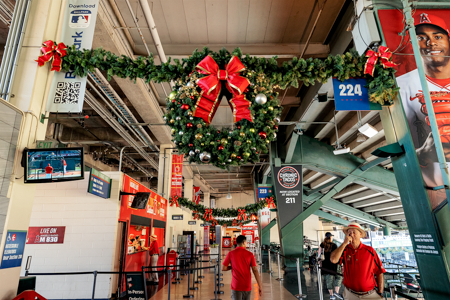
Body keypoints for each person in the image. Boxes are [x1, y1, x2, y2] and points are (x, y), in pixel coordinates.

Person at [396, 13, 450, 207]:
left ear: (448, 40)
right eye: (421, 37)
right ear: (412, 43)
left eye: (437, 36)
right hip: (434, 192)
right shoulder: (401, 84)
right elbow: (401, 142)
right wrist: (424, 152)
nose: (430, 43)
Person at [330, 223, 385, 300]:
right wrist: (344, 243)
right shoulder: (345, 249)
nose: (351, 234)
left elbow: (379, 272)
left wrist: (380, 292)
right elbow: (333, 260)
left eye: (354, 232)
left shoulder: (370, 251)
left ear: (360, 234)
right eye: (349, 233)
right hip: (350, 294)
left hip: (370, 295)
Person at [223, 235, 262, 300]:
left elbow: (223, 268)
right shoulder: (250, 254)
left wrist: (232, 266)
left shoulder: (231, 253)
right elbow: (255, 270)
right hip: (247, 286)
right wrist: (260, 286)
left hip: (236, 286)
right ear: (244, 242)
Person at [318, 232, 343, 300]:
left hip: (325, 265)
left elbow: (319, 255)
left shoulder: (322, 244)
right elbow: (336, 255)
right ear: (330, 237)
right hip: (333, 264)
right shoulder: (334, 245)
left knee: (329, 280)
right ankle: (336, 292)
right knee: (339, 277)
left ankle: (331, 295)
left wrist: (320, 263)